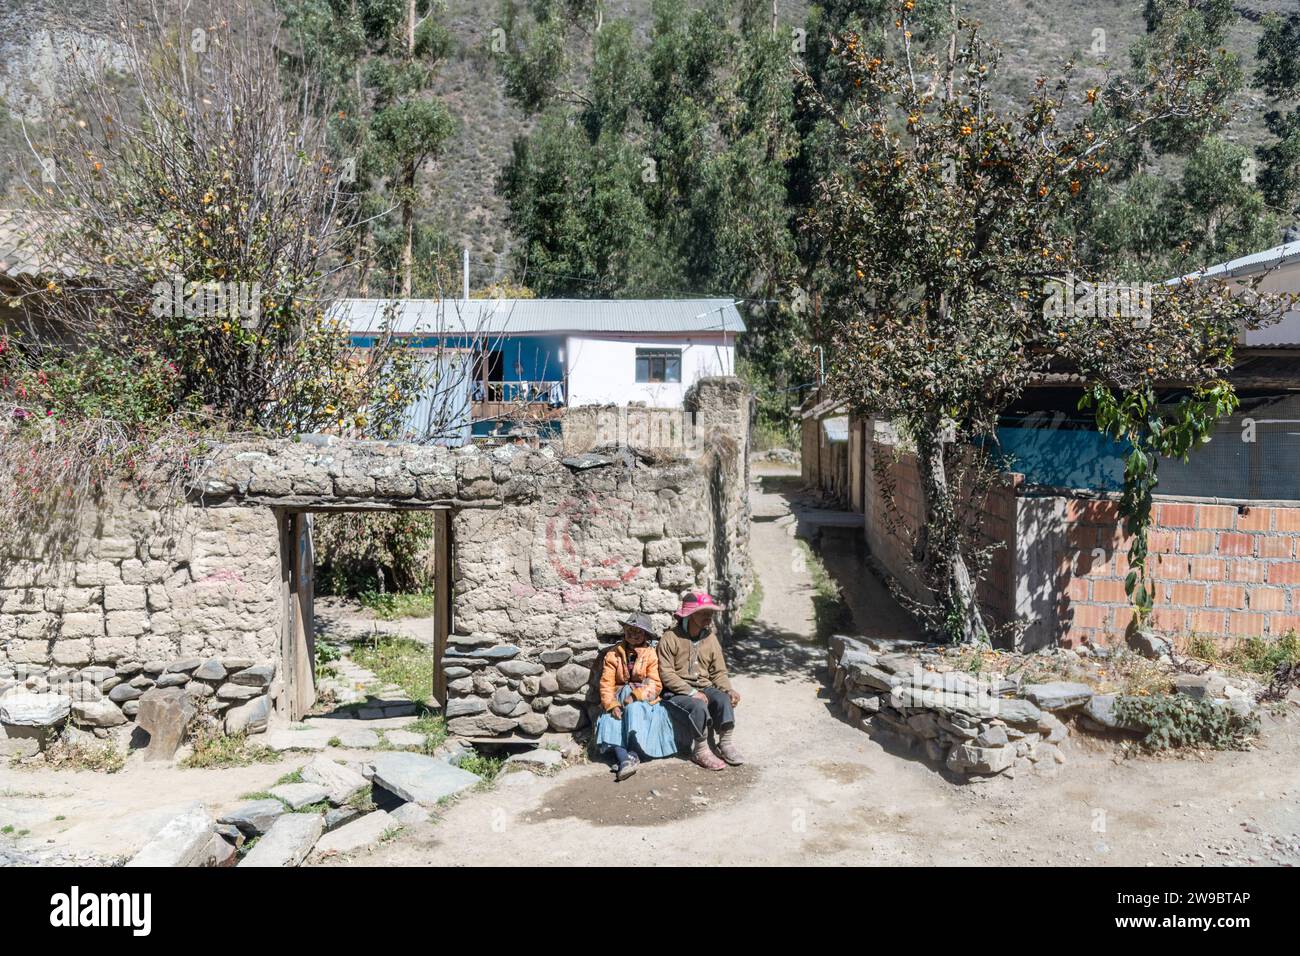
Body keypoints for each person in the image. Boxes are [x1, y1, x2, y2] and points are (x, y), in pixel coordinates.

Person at [657, 591, 743, 771]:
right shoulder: (670, 638)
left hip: (704, 687)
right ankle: (701, 750)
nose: (708, 616)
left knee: (722, 699)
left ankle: (725, 743)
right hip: (677, 693)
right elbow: (666, 673)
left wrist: (728, 689)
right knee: (698, 705)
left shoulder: (710, 638)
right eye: (703, 612)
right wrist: (692, 692)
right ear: (689, 614)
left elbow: (718, 671)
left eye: (710, 612)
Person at [594, 612, 679, 781]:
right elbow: (606, 683)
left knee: (635, 712)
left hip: (645, 700)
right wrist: (612, 704)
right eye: (629, 630)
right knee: (611, 718)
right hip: (618, 697)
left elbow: (655, 684)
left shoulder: (650, 654)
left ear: (645, 635)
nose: (633, 635)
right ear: (624, 631)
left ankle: (631, 754)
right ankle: (625, 760)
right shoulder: (614, 654)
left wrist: (635, 695)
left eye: (638, 632)